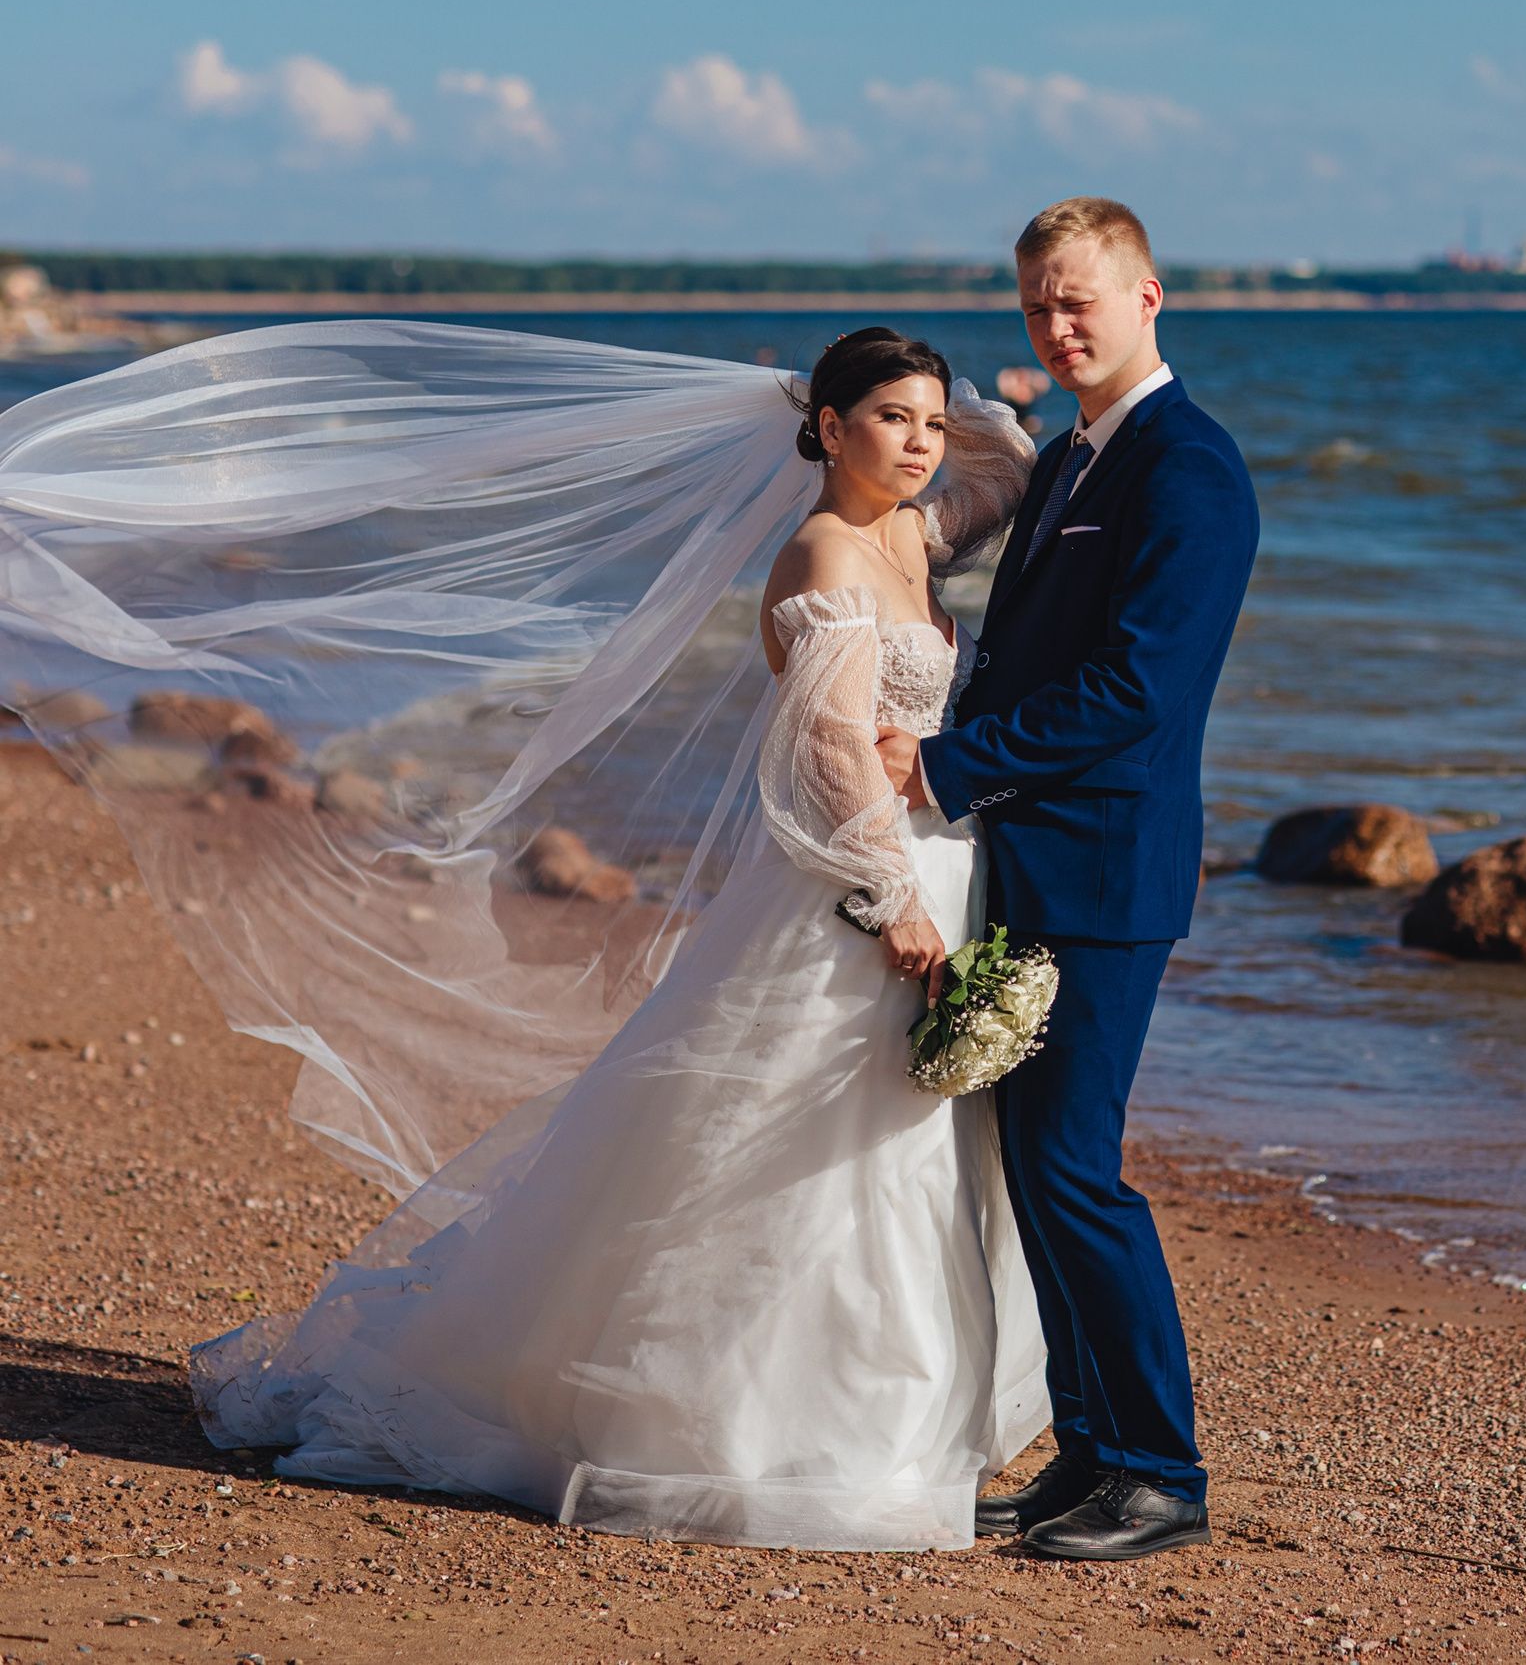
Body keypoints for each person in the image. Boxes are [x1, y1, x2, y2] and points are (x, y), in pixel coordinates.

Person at [161, 327, 1053, 1552]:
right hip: (858, 893)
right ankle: (741, 1432)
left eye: (928, 423)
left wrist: (997, 411)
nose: (918, 444)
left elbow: (1001, 480)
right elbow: (832, 751)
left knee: (897, 1145)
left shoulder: (910, 530)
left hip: (934, 873)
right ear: (829, 426)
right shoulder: (827, 552)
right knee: (796, 1137)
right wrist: (890, 898)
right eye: (890, 418)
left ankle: (886, 1422)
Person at [874, 197, 1260, 1561]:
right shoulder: (1073, 461)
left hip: (1107, 868)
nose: (1059, 323)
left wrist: (946, 764)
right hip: (1030, 859)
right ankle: (1089, 1453)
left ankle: (1162, 1466)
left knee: (1078, 1170)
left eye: (1082, 298)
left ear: (1151, 296)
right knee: (1035, 1169)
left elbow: (1141, 688)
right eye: (1040, 303)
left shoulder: (1187, 471)